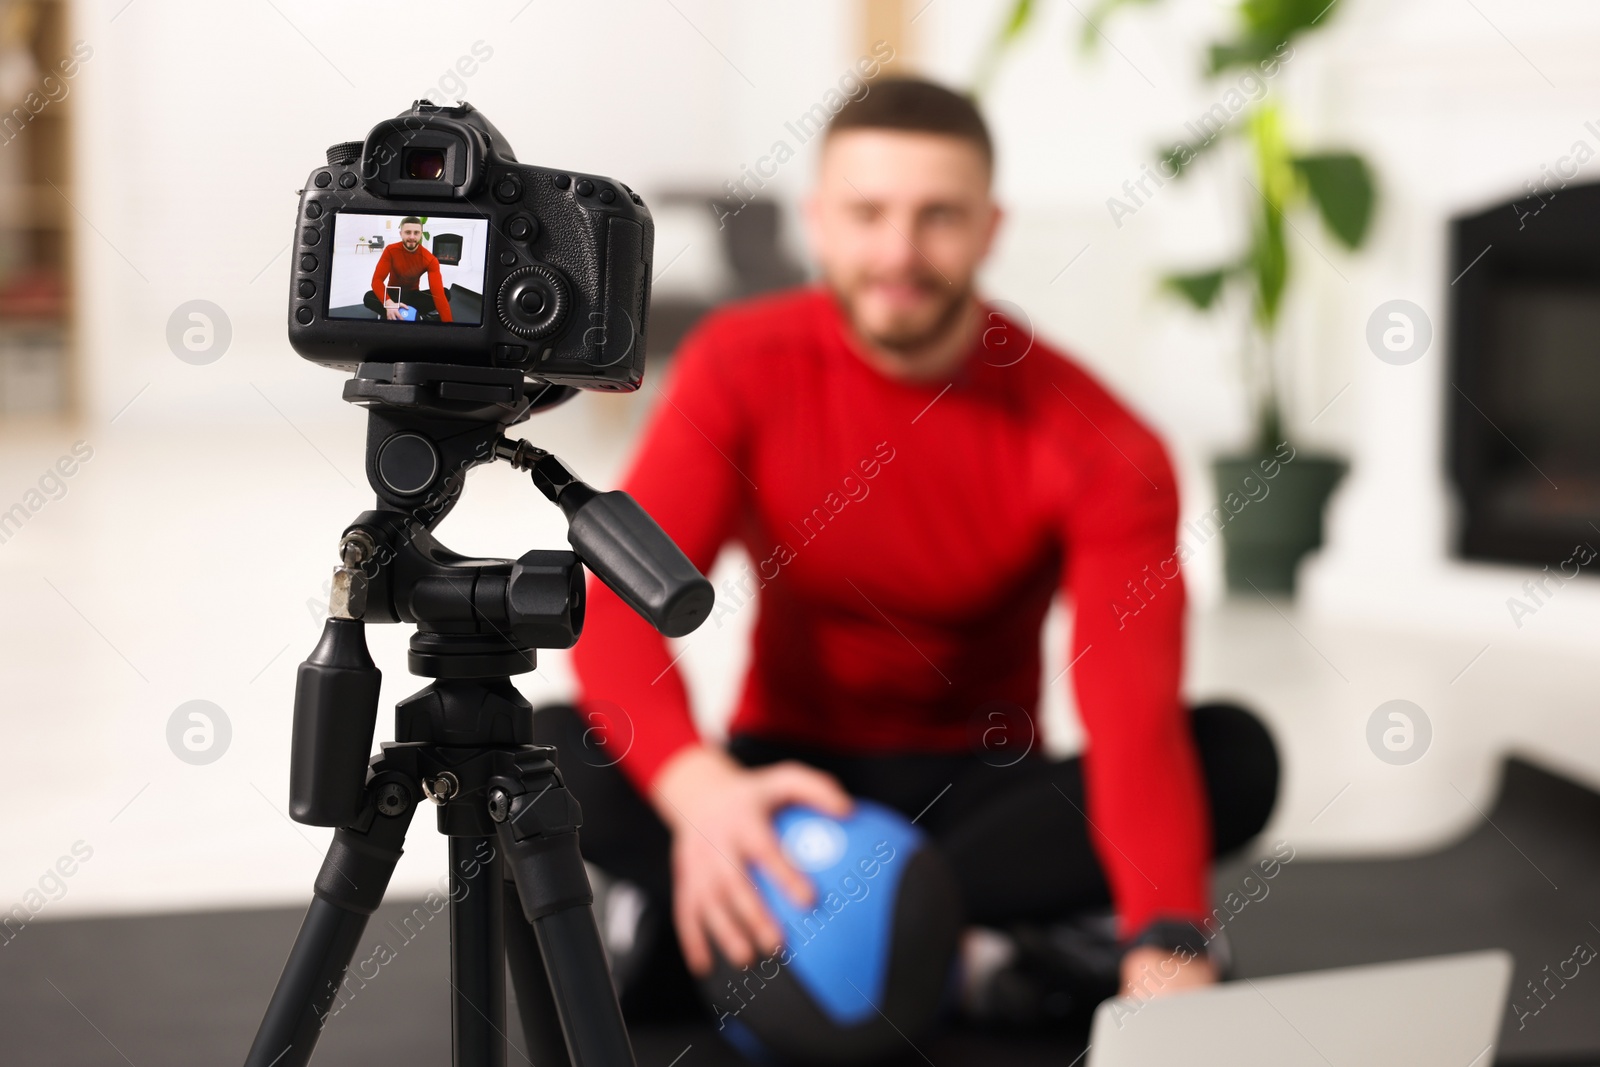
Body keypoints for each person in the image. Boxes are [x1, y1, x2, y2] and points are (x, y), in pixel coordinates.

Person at [549, 78, 1279, 1023]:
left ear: (990, 226)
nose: (899, 252)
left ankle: (752, 930)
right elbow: (618, 609)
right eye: (867, 213)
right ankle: (971, 944)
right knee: (551, 749)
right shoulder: (740, 363)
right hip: (787, 783)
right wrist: (702, 795)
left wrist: (1168, 939)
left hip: (978, 790)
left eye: (938, 216)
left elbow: (1130, 704)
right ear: (818, 221)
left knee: (1232, 755)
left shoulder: (1099, 440)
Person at [363, 216, 453, 322]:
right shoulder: (390, 250)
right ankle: (410, 313)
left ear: (421, 234)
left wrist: (449, 326)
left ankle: (397, 314)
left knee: (445, 293)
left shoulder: (430, 259)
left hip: (413, 296)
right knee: (368, 297)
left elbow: (438, 293)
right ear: (401, 234)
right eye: (408, 232)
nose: (412, 237)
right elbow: (376, 281)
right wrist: (388, 303)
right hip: (393, 294)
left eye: (416, 233)